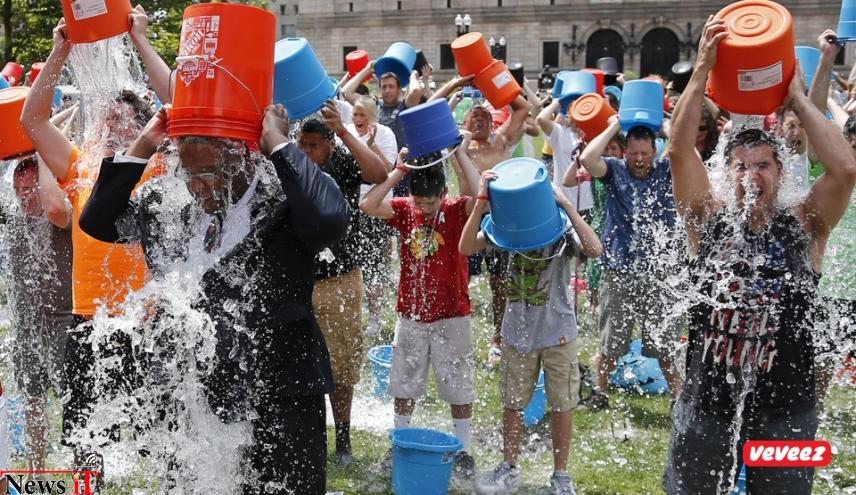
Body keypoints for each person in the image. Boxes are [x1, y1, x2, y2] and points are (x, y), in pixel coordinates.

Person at [79, 104, 349, 494]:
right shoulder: (168, 206)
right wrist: (145, 142)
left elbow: (328, 218)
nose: (196, 187)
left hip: (280, 398)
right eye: (188, 174)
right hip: (192, 398)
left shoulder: (284, 200)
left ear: (240, 156)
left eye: (207, 174)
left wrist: (276, 141)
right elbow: (98, 220)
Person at [664, 17, 856, 494]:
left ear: (779, 172)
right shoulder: (705, 220)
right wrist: (704, 65)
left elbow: (846, 168)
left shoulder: (805, 224)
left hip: (787, 411)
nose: (752, 173)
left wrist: (795, 98)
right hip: (707, 404)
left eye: (763, 165)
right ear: (725, 175)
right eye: (741, 165)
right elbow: (678, 148)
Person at [20, 15, 170, 478]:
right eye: (106, 122)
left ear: (144, 132)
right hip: (91, 318)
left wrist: (139, 39)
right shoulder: (81, 166)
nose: (109, 129)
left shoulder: (160, 168)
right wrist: (59, 51)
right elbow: (32, 120)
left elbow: (179, 104)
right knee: (86, 438)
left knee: (162, 442)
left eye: (121, 124)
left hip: (151, 319)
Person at [459, 170, 602, 495]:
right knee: (513, 402)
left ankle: (561, 475)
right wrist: (482, 200)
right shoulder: (505, 230)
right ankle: (509, 466)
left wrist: (567, 204)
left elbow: (595, 250)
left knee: (562, 404)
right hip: (516, 334)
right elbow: (466, 247)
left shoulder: (562, 231)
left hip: (559, 335)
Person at [360, 138, 481, 479]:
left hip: (452, 314)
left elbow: (478, 197)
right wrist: (398, 171)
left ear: (443, 193)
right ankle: (398, 443)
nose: (424, 209)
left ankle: (465, 451)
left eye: (430, 203)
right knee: (404, 385)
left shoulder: (457, 210)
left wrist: (459, 154)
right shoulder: (404, 210)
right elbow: (369, 204)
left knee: (458, 386)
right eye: (419, 202)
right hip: (411, 315)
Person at [296, 101, 388, 466]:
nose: (306, 151)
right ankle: (309, 437)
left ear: (329, 144)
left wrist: (346, 130)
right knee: (301, 362)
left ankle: (344, 442)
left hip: (339, 279)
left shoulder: (343, 162)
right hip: (300, 279)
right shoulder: (289, 165)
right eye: (302, 143)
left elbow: (380, 174)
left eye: (313, 145)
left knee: (341, 363)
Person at [579, 116, 684, 410]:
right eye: (634, 153)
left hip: (660, 272)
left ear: (655, 151)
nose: (639, 160)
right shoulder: (614, 171)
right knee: (610, 342)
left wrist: (667, 130)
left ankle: (679, 399)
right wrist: (614, 126)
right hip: (619, 270)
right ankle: (600, 393)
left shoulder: (666, 170)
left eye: (645, 154)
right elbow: (588, 158)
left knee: (665, 344)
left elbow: (693, 159)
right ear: (625, 153)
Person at [1, 154, 72, 474]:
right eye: (19, 192)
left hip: (65, 325)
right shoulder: (13, 219)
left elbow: (58, 209)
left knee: (76, 407)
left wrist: (44, 152)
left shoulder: (63, 216)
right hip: (28, 327)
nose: (24, 199)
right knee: (32, 402)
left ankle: (86, 479)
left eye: (31, 190)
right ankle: (35, 474)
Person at [344, 95, 399, 337]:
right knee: (353, 263)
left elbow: (389, 169)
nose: (357, 119)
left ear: (372, 117)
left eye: (362, 115)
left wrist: (372, 146)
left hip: (377, 206)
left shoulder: (385, 134)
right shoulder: (345, 132)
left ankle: (375, 318)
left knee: (375, 265)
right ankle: (353, 315)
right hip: (351, 207)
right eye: (355, 114)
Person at [342, 62, 425, 196]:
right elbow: (346, 92)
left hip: (401, 172)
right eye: (384, 87)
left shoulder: (405, 106)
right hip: (377, 172)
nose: (387, 90)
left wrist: (413, 75)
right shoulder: (374, 106)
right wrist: (367, 70)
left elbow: (415, 91)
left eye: (391, 87)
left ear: (399, 89)